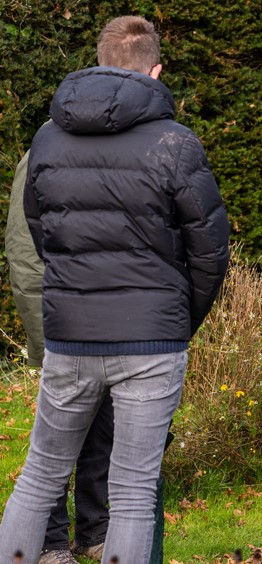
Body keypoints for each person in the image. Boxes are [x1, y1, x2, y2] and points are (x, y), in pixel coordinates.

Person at [0, 15, 230, 564]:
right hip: (151, 338)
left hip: (72, 334)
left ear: (100, 62)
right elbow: (209, 251)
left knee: (39, 476)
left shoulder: (48, 139)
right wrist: (176, 317)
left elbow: (41, 234)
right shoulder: (176, 142)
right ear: (155, 70)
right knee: (131, 492)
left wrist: (74, 290)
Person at [6, 150, 113, 564]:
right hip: (62, 326)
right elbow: (24, 252)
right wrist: (46, 332)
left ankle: (93, 531)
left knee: (105, 432)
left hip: (114, 325)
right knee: (57, 440)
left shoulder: (127, 148)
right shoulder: (42, 154)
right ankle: (49, 542)